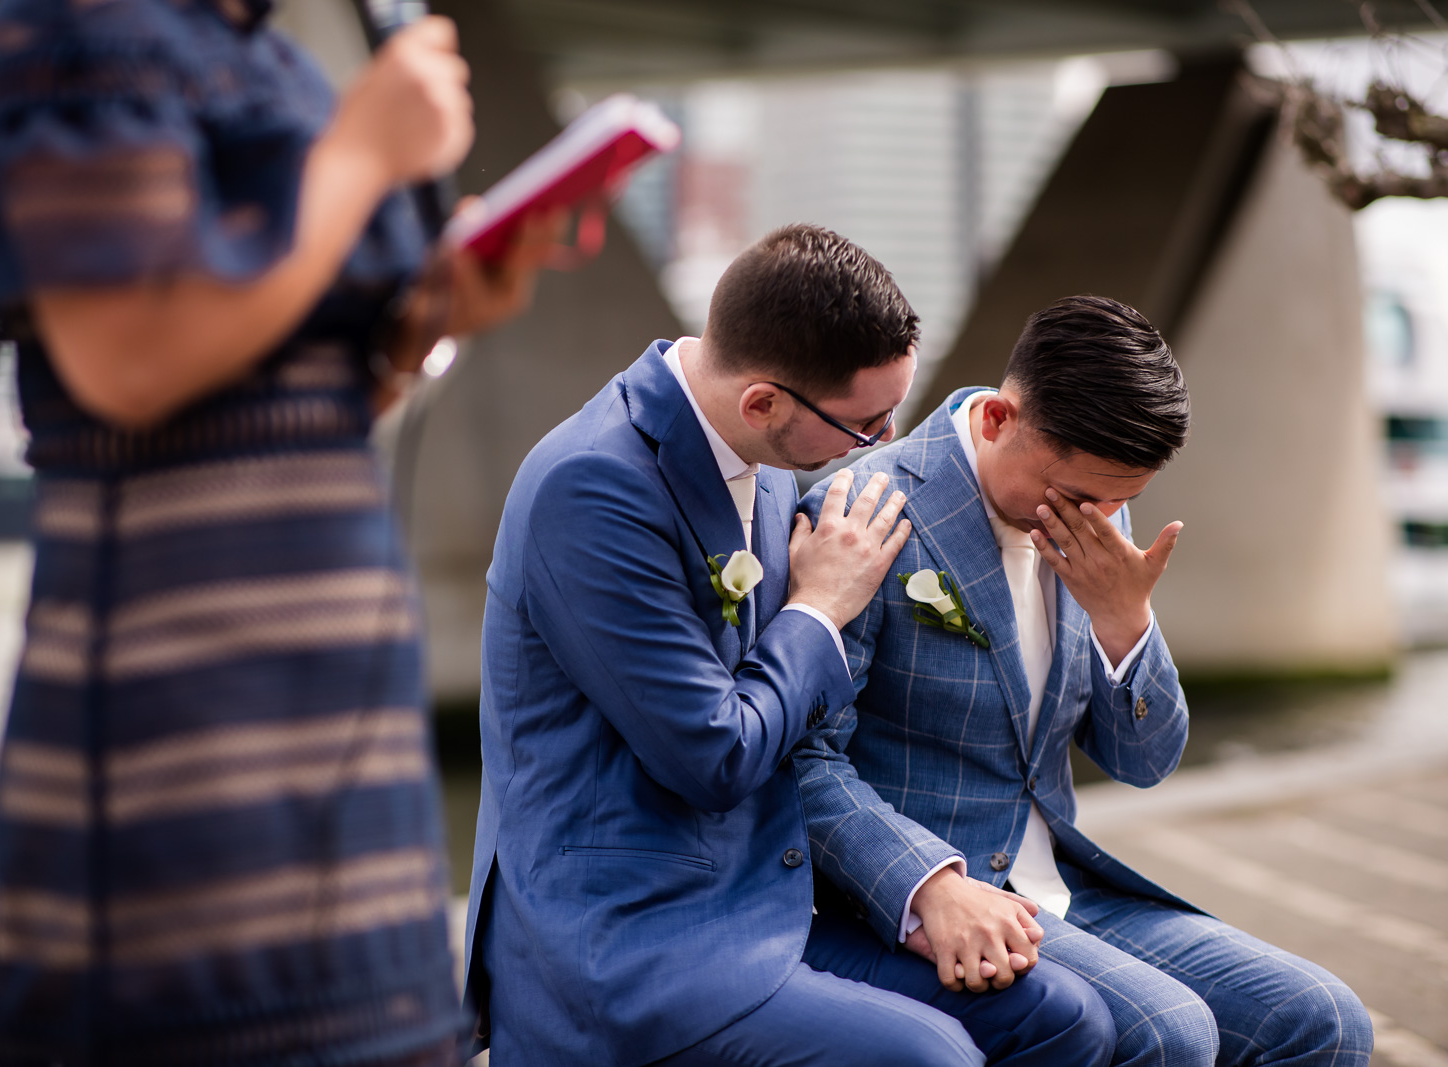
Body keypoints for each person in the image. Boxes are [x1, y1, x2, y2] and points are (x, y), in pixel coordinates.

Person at [0, 1, 558, 1062]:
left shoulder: (268, 61)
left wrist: (431, 318)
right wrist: (360, 154)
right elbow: (129, 358)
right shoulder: (85, 30)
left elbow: (272, 403)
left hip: (340, 749)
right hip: (178, 752)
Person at [465, 224, 1117, 1067]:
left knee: (1061, 1018)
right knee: (932, 1058)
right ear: (764, 402)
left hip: (772, 894)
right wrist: (819, 608)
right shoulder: (589, 487)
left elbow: (809, 720)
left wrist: (921, 887)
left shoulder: (765, 454)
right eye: (866, 425)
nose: (883, 445)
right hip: (631, 936)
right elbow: (714, 754)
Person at [797, 294, 1374, 1066]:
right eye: (1079, 494)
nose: (1100, 517)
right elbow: (805, 758)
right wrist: (927, 883)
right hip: (936, 893)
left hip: (1072, 887)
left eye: (1122, 499)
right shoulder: (864, 512)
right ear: (999, 420)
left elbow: (1144, 761)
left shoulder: (1097, 512)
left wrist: (1124, 620)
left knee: (1325, 1020)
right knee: (1171, 1032)